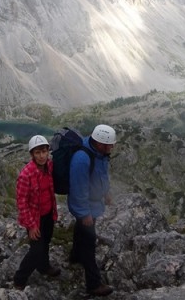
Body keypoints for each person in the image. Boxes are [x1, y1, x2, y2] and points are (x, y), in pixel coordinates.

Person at [67, 124, 116, 296]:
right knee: (89, 243)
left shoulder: (99, 153)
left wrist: (106, 193)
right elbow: (78, 189)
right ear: (100, 143)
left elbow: (100, 175)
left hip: (92, 204)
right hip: (86, 206)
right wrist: (84, 213)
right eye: (109, 145)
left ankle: (75, 256)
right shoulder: (82, 159)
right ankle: (93, 284)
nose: (111, 147)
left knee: (81, 231)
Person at [13, 135, 61, 290]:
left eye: (44, 151)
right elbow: (22, 202)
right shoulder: (26, 175)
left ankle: (44, 267)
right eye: (37, 152)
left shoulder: (49, 166)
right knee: (36, 250)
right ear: (32, 155)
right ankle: (19, 279)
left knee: (45, 242)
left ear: (48, 152)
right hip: (34, 219)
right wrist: (32, 226)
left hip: (48, 214)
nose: (41, 156)